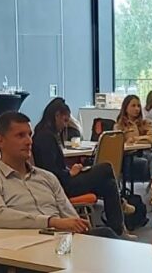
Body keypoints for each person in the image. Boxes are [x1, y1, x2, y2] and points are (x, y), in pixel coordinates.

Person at [0, 112, 117, 237]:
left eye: (29, 135)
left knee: (106, 235)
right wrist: (51, 222)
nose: (28, 141)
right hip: (26, 242)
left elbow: (69, 214)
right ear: (0, 141)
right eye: (20, 136)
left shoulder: (46, 177)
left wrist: (79, 228)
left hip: (63, 240)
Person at [33, 98, 129, 236]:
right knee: (106, 168)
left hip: (62, 180)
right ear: (57, 115)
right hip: (60, 185)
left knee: (109, 184)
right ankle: (121, 209)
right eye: (65, 121)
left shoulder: (44, 134)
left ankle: (117, 230)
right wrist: (70, 173)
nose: (65, 125)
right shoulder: (45, 138)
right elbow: (50, 172)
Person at [115, 94, 152, 209]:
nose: (137, 109)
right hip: (131, 156)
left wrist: (135, 139)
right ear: (125, 108)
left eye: (138, 106)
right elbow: (118, 143)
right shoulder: (120, 126)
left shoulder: (147, 122)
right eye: (133, 106)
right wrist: (143, 139)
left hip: (148, 154)